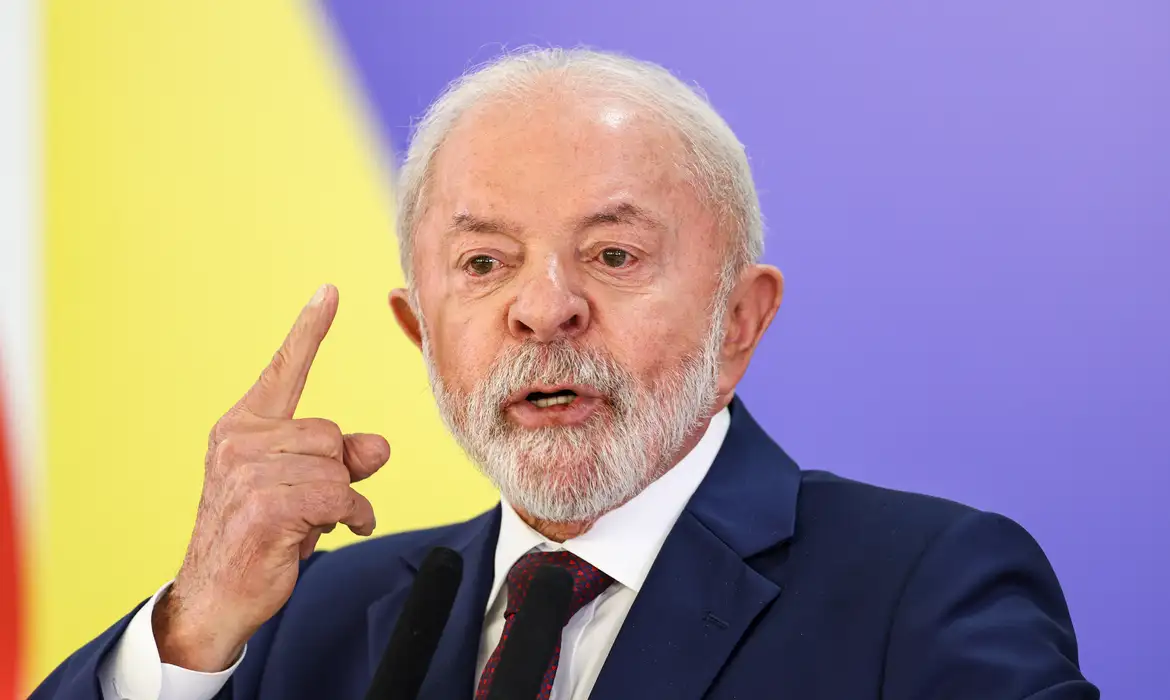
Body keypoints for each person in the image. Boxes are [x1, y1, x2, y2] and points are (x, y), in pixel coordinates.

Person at [33, 48, 1098, 700]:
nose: (544, 308)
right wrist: (196, 624)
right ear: (420, 333)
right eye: (483, 264)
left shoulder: (922, 587)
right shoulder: (305, 621)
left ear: (740, 320)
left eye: (613, 254)